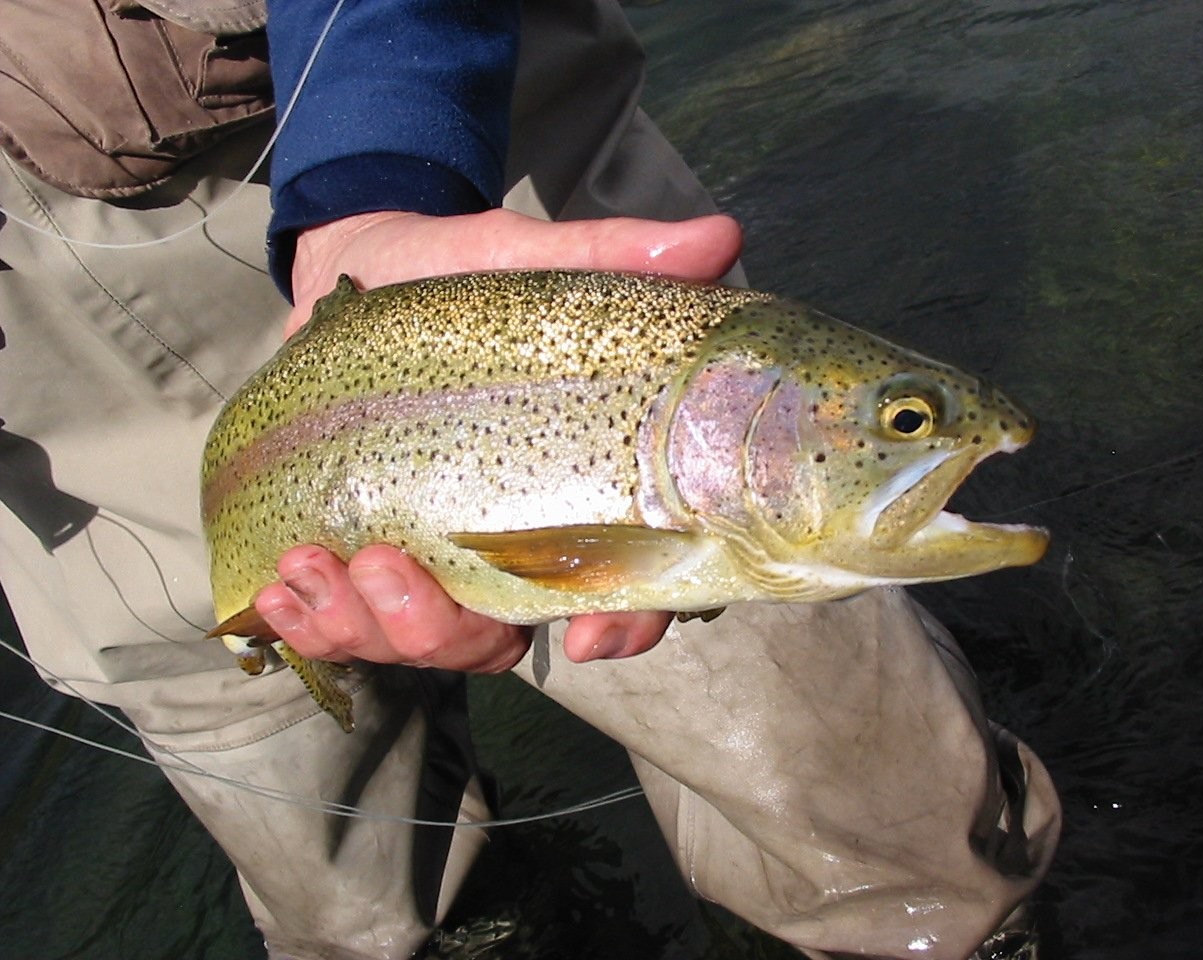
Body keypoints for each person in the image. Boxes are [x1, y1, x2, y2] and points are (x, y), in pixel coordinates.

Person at [0, 2, 1061, 959]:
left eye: (904, 420)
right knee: (347, 911)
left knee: (893, 828)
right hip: (59, 400)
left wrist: (375, 177)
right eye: (908, 421)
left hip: (476, 172)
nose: (952, 436)